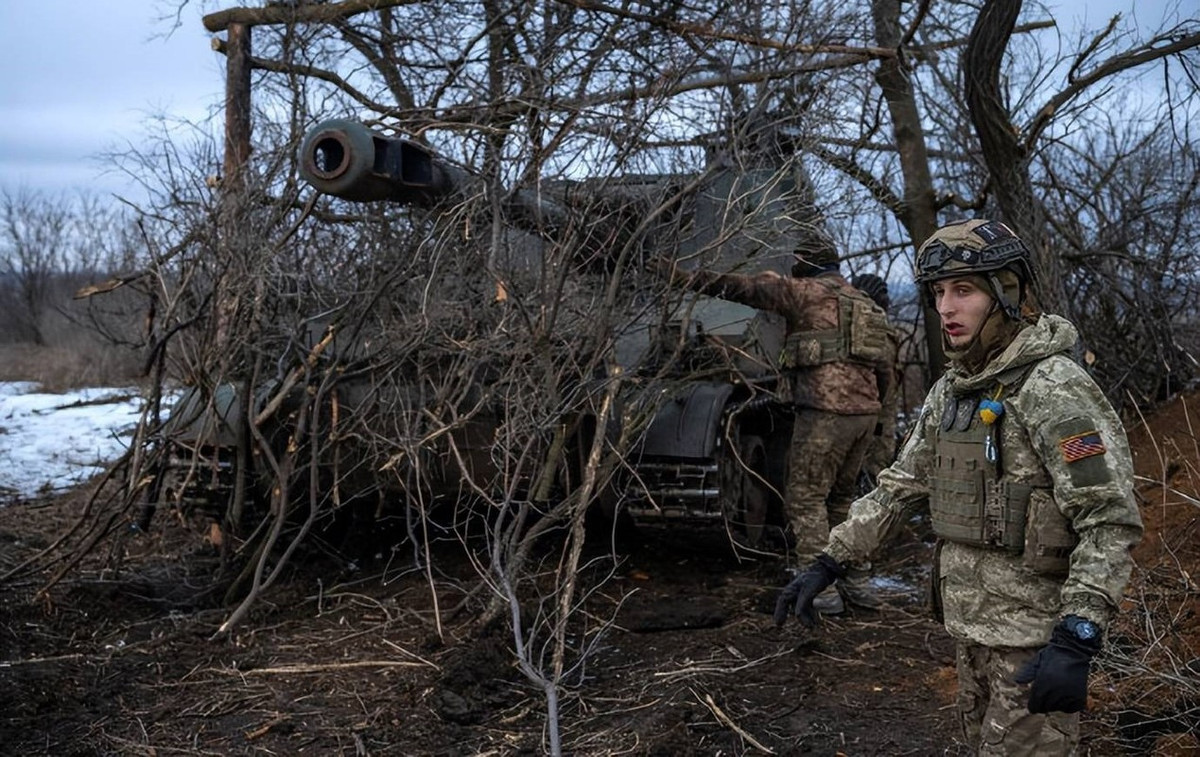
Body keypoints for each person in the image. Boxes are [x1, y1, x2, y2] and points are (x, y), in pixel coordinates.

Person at [774, 219, 1144, 755]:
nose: (946, 307)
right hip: (970, 632)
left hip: (1033, 644)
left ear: (1007, 293)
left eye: (964, 290)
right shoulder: (955, 388)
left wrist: (1078, 634)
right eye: (939, 293)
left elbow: (1109, 518)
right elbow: (901, 485)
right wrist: (829, 560)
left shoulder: (1052, 388)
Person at [664, 234, 894, 613]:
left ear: (804, 261)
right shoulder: (864, 305)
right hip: (864, 415)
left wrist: (684, 277)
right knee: (841, 501)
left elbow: (746, 289)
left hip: (825, 412)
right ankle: (856, 582)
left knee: (805, 498)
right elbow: (885, 370)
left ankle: (818, 589)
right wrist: (874, 411)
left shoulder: (805, 293)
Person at [850, 273, 902, 488]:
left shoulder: (858, 327)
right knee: (873, 478)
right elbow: (885, 381)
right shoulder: (875, 331)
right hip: (875, 419)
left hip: (871, 418)